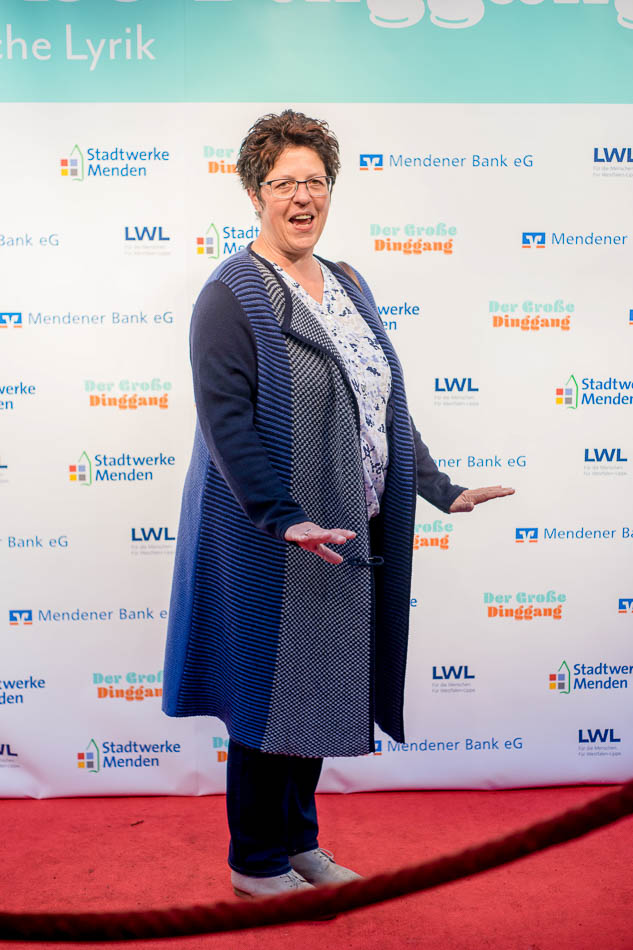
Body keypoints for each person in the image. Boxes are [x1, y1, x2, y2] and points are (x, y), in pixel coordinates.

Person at [162, 110, 514, 900]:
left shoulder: (349, 282)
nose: (301, 197)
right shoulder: (231, 292)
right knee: (268, 696)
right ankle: (255, 862)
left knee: (319, 685)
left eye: (314, 181)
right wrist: (281, 516)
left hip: (344, 529)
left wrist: (439, 487)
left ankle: (300, 844)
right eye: (283, 182)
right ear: (254, 193)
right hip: (269, 535)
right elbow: (225, 423)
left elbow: (378, 403)